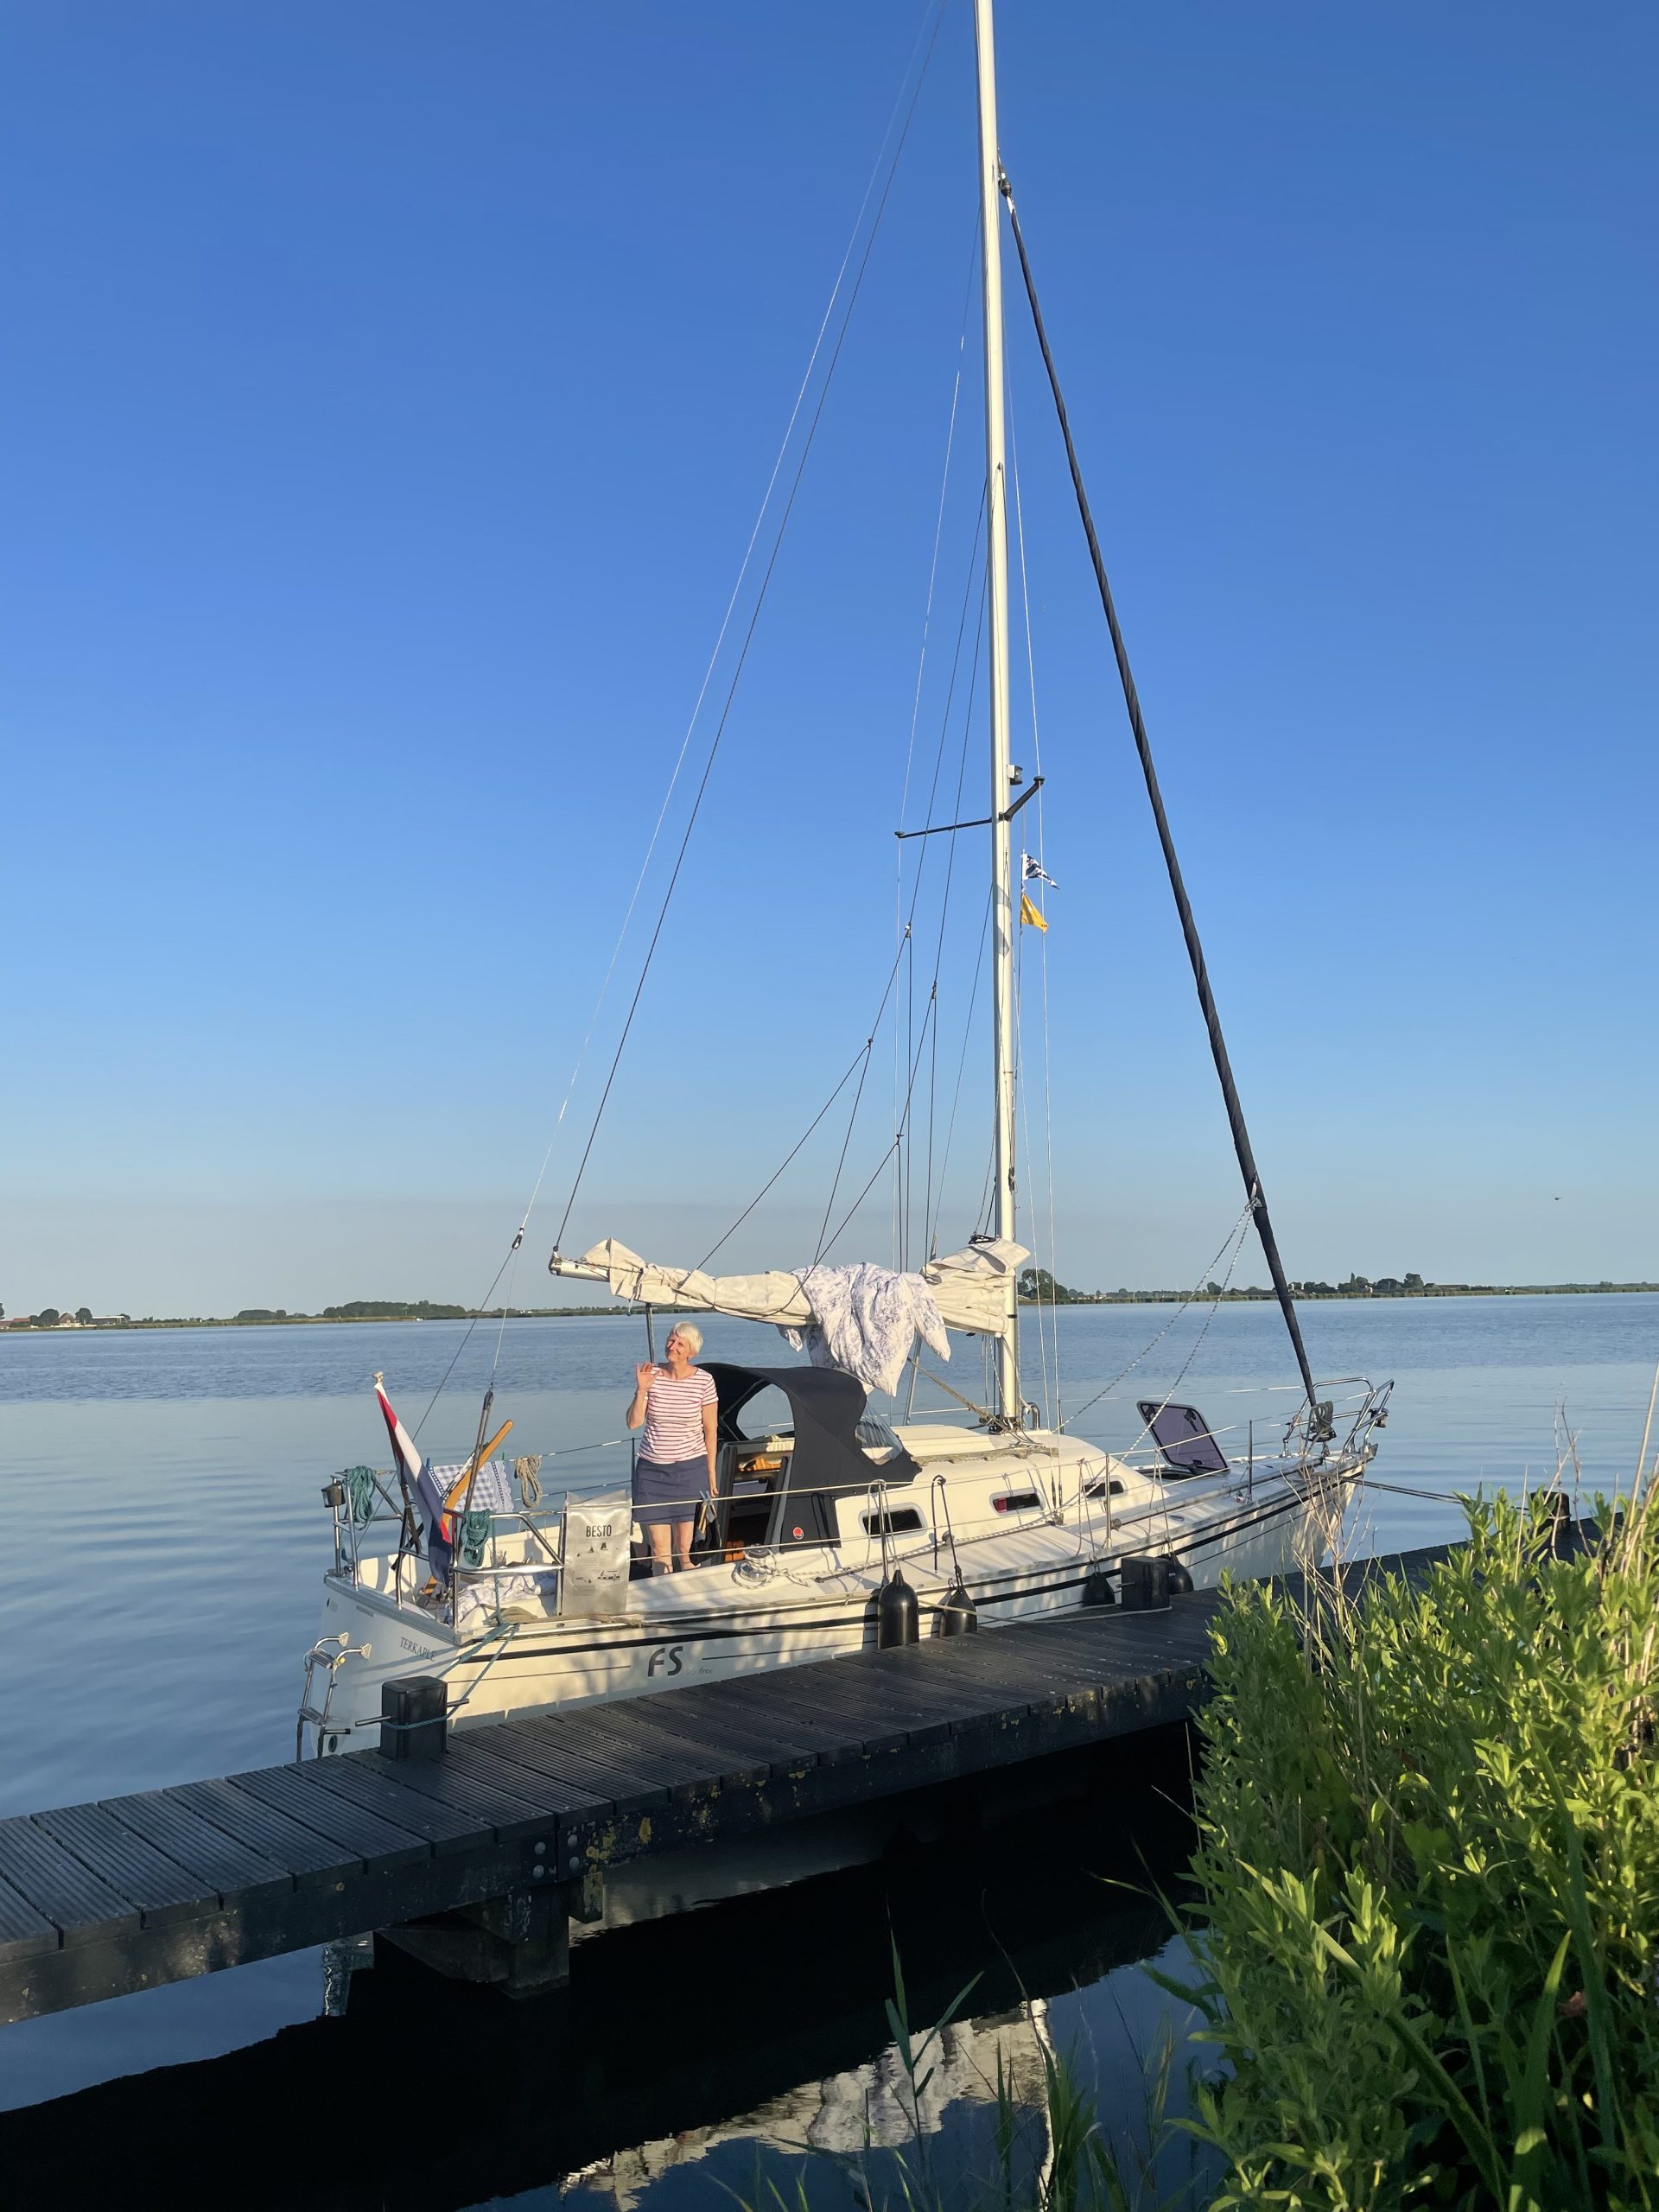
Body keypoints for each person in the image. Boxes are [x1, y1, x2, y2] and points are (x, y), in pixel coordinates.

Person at [626, 1323, 718, 1573]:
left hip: (691, 1471)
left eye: (680, 1344)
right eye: (671, 1340)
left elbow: (711, 1430)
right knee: (658, 1548)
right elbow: (633, 1423)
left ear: (691, 1352)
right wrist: (642, 1389)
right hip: (652, 1472)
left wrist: (711, 1473)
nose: (672, 1346)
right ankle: (660, 1602)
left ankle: (690, 1602)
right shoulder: (651, 1375)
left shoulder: (704, 1381)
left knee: (687, 1550)